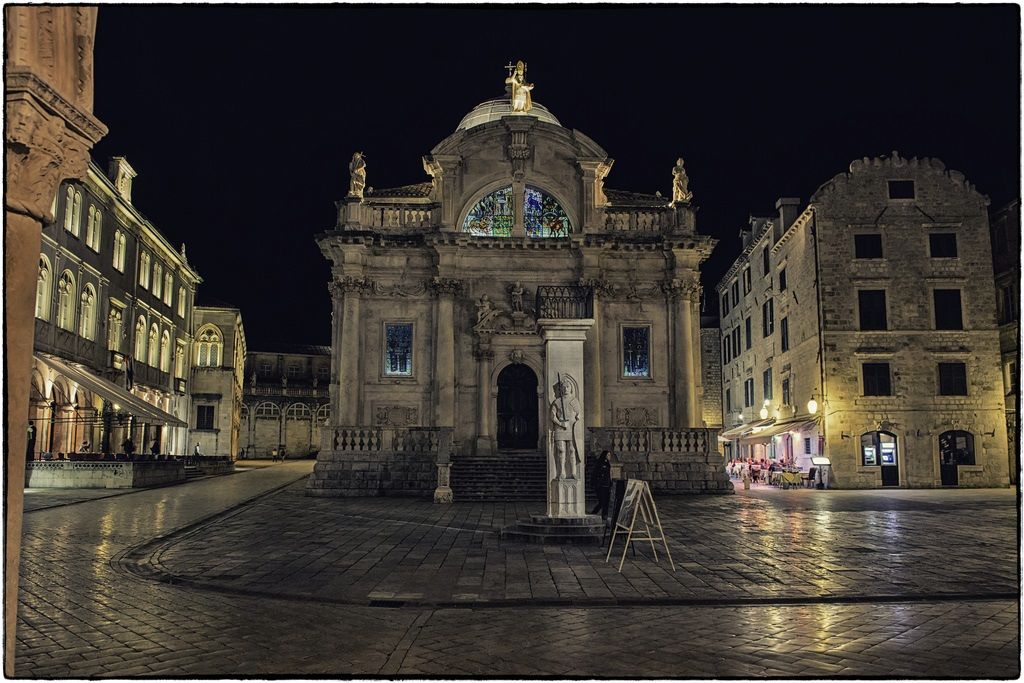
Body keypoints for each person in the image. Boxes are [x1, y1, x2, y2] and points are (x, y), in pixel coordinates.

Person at [590, 450, 613, 519]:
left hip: (607, 485)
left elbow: (609, 474)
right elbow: (596, 474)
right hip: (601, 486)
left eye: (610, 455)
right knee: (602, 501)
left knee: (605, 502)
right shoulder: (600, 463)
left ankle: (602, 515)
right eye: (608, 455)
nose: (609, 456)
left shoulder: (608, 464)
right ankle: (597, 513)